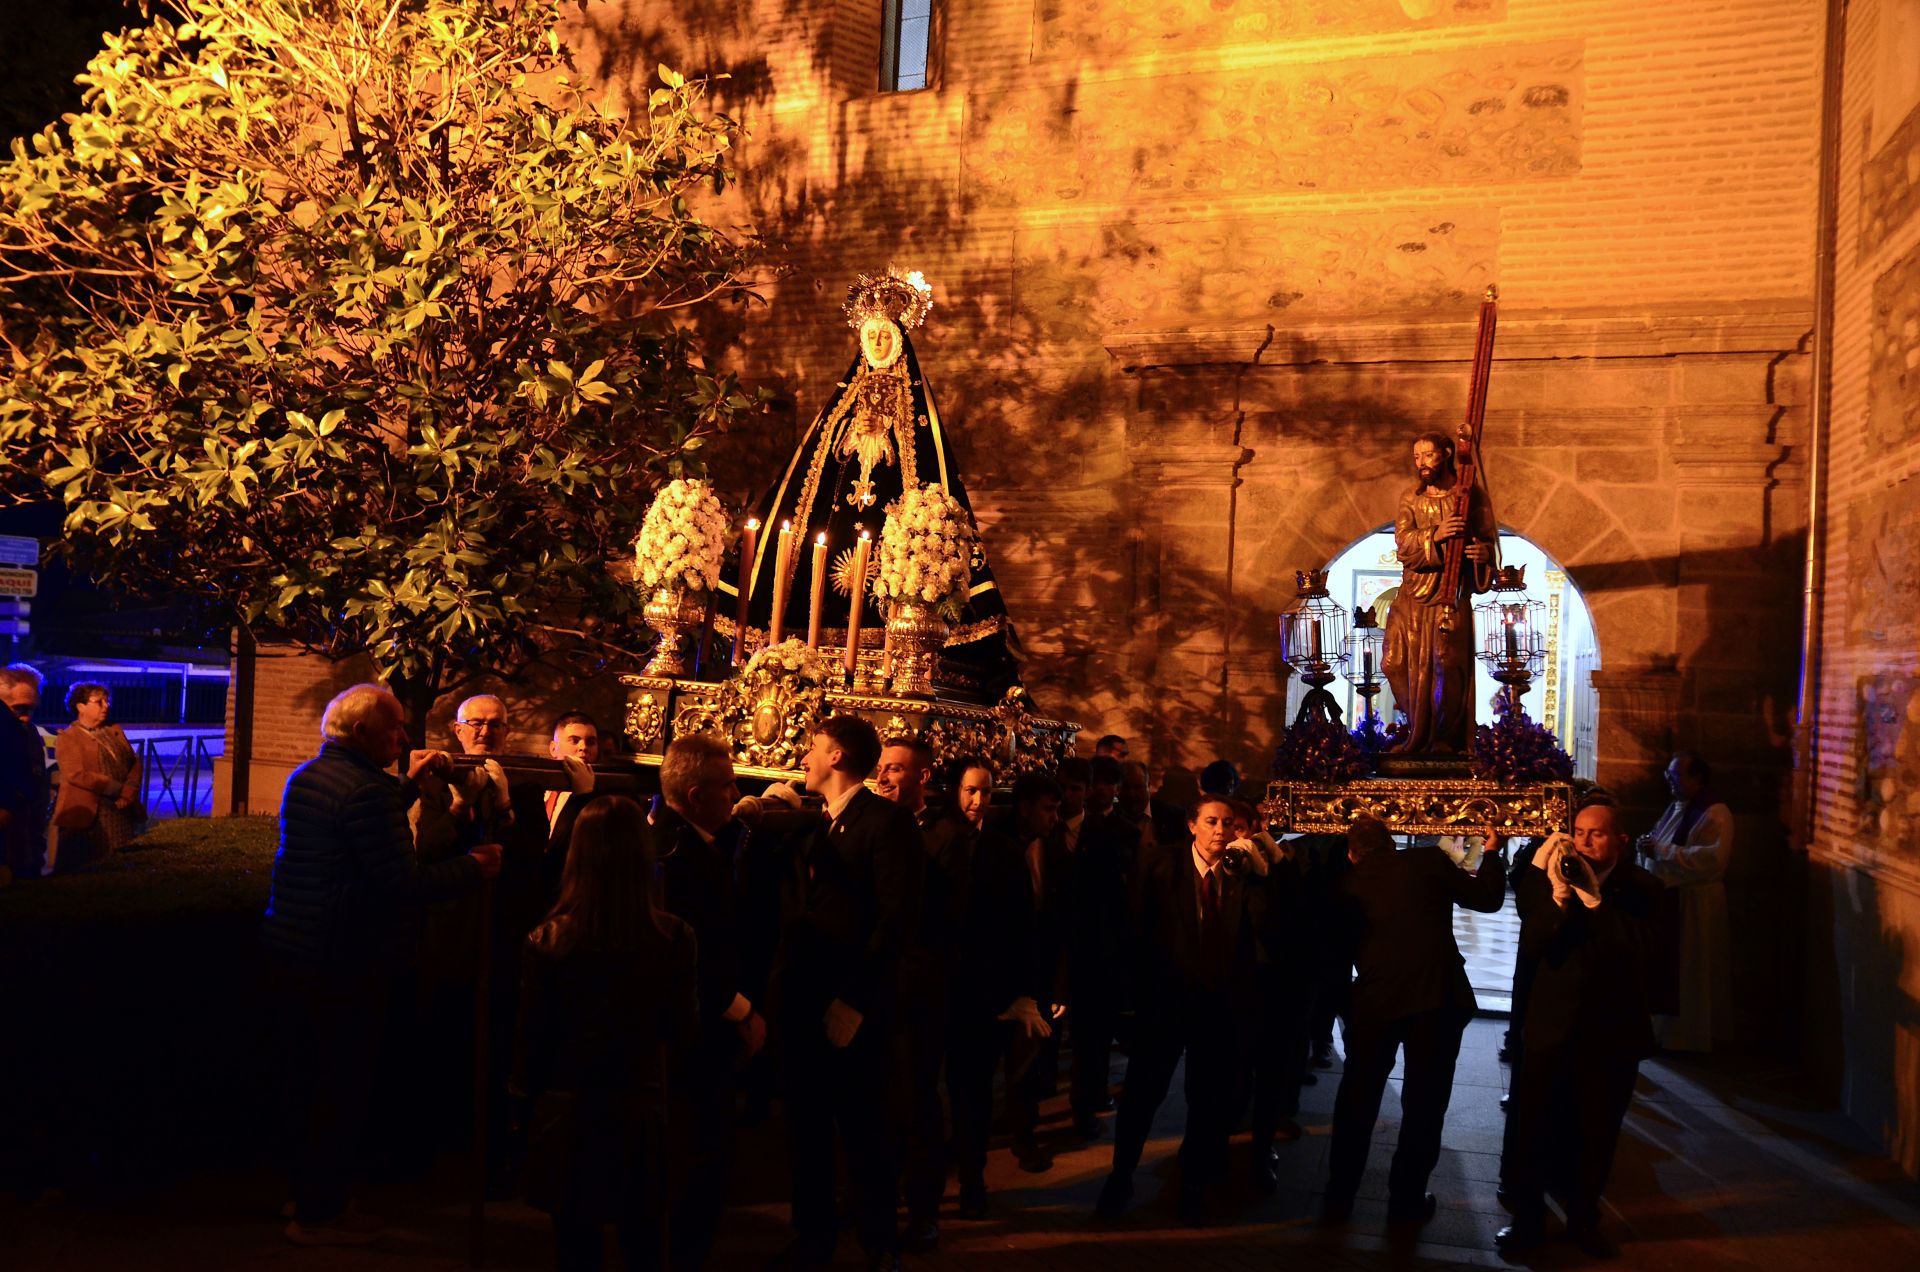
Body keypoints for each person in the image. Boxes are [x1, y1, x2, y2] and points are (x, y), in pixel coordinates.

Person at [261, 684, 500, 1247]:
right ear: (362, 731)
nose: (403, 735)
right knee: (340, 1089)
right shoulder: (366, 791)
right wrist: (476, 867)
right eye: (394, 725)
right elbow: (402, 882)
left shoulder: (312, 775)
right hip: (347, 957)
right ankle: (321, 1215)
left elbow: (359, 823)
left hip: (297, 948)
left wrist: (407, 786)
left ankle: (304, 1193)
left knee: (308, 1082)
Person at [512, 795, 699, 1272]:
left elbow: (534, 1038)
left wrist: (523, 1098)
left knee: (577, 1246)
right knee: (644, 1244)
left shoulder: (548, 941)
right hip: (639, 1106)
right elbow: (681, 1031)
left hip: (570, 1108)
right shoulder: (672, 938)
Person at [771, 715, 921, 1271]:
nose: (804, 758)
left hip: (853, 1010)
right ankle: (813, 1238)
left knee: (864, 1129)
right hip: (805, 1003)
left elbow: (896, 919)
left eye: (813, 748)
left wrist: (855, 1001)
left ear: (836, 756)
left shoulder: (886, 823)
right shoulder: (819, 824)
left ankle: (880, 1243)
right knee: (806, 1130)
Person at [1497, 797, 1669, 1258]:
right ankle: (1528, 1220)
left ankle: (1582, 1219)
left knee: (1597, 1133)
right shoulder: (1554, 878)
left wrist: (1596, 903)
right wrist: (1557, 899)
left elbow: (1641, 953)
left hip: (1610, 1033)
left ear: (1620, 841)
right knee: (1534, 1127)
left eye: (1597, 833)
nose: (1585, 841)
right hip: (1552, 1027)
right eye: (1579, 831)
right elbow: (1532, 943)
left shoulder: (1645, 889)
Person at [1097, 794, 1276, 1227]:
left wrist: (1263, 873)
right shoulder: (1160, 864)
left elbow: (1267, 932)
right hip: (1165, 1002)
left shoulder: (1241, 872)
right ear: (1192, 825)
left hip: (1219, 1007)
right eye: (1212, 821)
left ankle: (1193, 1185)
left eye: (1228, 823)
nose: (1221, 830)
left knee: (1207, 1100)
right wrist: (1132, 1000)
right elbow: (1133, 929)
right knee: (1143, 1094)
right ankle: (1121, 1177)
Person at [1323, 816, 1506, 1226]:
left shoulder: (1344, 884)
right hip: (1436, 999)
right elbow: (1487, 896)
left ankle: (1339, 1198)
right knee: (1425, 1103)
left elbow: (1334, 956)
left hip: (1374, 1004)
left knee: (1357, 1102)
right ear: (1392, 844)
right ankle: (1406, 1201)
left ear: (1352, 854)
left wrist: (1347, 1008)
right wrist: (1489, 849)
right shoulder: (1428, 861)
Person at [654, 734, 769, 1271]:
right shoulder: (685, 859)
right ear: (697, 795)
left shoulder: (677, 841)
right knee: (700, 1156)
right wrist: (744, 1012)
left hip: (692, 1025)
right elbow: (697, 954)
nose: (736, 794)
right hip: (698, 1033)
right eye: (727, 786)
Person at [875, 734, 950, 1250]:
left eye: (895, 769)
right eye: (881, 767)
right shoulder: (873, 826)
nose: (883, 777)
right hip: (875, 988)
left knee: (918, 1103)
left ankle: (924, 1209)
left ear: (922, 776)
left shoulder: (944, 838)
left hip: (918, 991)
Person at [1382, 431, 1498, 753]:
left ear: (1447, 453)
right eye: (1416, 456)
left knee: (1445, 665)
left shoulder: (1470, 497)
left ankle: (1443, 739)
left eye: (1428, 455)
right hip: (1413, 595)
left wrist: (1483, 555)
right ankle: (1417, 730)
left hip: (1450, 595)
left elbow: (1488, 544)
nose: (1421, 462)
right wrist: (1435, 534)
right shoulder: (1411, 498)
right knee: (1393, 663)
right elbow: (1403, 545)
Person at [1640, 751, 1734, 1052]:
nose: (1668, 779)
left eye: (1675, 774)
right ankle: (1666, 1034)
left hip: (1695, 904)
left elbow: (1711, 859)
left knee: (1691, 973)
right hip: (1673, 899)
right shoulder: (1677, 807)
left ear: (1697, 778)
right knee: (1670, 972)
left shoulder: (1714, 813)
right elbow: (1661, 840)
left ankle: (1689, 1037)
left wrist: (1661, 851)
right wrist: (1647, 847)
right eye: (1668, 773)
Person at [1065, 755, 1137, 1137]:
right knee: (1083, 1035)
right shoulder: (1056, 828)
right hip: (1070, 940)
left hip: (1100, 946)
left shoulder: (1120, 832)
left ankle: (1088, 1100)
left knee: (1094, 1034)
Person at [1006, 769, 1068, 1173]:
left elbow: (1064, 919)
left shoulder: (1054, 847)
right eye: (1048, 809)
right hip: (1000, 971)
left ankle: (1023, 1134)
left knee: (1028, 1063)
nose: (1054, 818)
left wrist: (1060, 983)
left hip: (1040, 969)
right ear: (1024, 808)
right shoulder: (996, 846)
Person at [48, 682, 145, 871]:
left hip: (122, 811)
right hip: (92, 817)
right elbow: (76, 774)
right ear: (80, 706)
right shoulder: (69, 737)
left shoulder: (113, 730)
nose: (106, 706)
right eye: (99, 702)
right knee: (90, 867)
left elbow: (134, 762)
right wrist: (118, 789)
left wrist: (130, 789)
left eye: (107, 701)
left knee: (120, 864)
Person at [1, 663, 51, 883]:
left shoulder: (29, 734)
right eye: (19, 708)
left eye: (31, 709)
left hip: (27, 854)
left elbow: (37, 790)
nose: (26, 717)